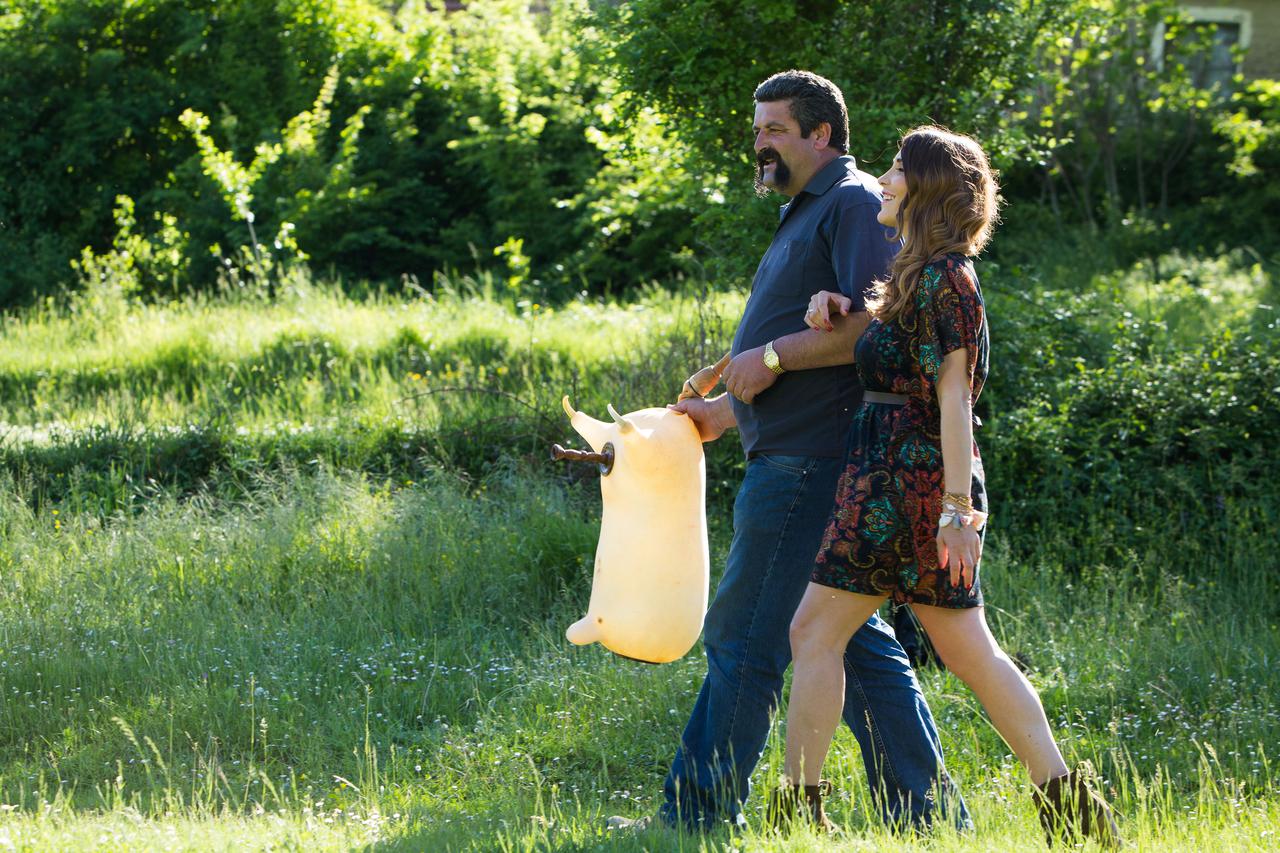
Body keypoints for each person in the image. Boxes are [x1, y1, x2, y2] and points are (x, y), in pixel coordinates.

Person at [607, 71, 969, 834]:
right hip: (795, 453)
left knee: (743, 635)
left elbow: (870, 330)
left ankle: (696, 815)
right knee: (855, 648)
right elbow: (803, 354)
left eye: (774, 128)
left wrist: (765, 360)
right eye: (758, 127)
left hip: (813, 465)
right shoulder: (810, 209)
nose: (759, 141)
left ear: (820, 135)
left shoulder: (851, 203)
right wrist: (723, 409)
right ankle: (929, 817)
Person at [777, 125, 1119, 846]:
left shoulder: (945, 278)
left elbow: (955, 397)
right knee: (967, 651)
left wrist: (958, 510)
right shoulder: (924, 274)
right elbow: (896, 353)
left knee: (815, 630)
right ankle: (1074, 811)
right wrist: (834, 308)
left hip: (911, 486)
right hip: (902, 481)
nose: (886, 179)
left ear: (925, 186)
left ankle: (795, 814)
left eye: (898, 169)